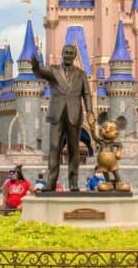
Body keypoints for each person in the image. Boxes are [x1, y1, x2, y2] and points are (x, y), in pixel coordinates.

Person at [31, 45, 93, 191]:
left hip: (74, 115)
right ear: (62, 53)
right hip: (57, 115)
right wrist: (35, 67)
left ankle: (73, 182)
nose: (68, 55)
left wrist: (90, 110)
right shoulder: (53, 70)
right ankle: (51, 182)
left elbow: (87, 94)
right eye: (66, 52)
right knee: (54, 147)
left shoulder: (81, 74)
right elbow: (40, 72)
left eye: (71, 53)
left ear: (75, 55)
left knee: (74, 149)